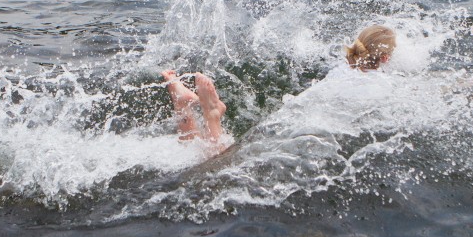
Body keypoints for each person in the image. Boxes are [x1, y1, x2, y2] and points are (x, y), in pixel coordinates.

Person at [162, 24, 396, 143]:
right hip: (304, 133)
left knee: (201, 162)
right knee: (213, 171)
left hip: (289, 118)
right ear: (385, 59)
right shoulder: (381, 87)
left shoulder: (341, 69)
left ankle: (183, 105)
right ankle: (212, 116)